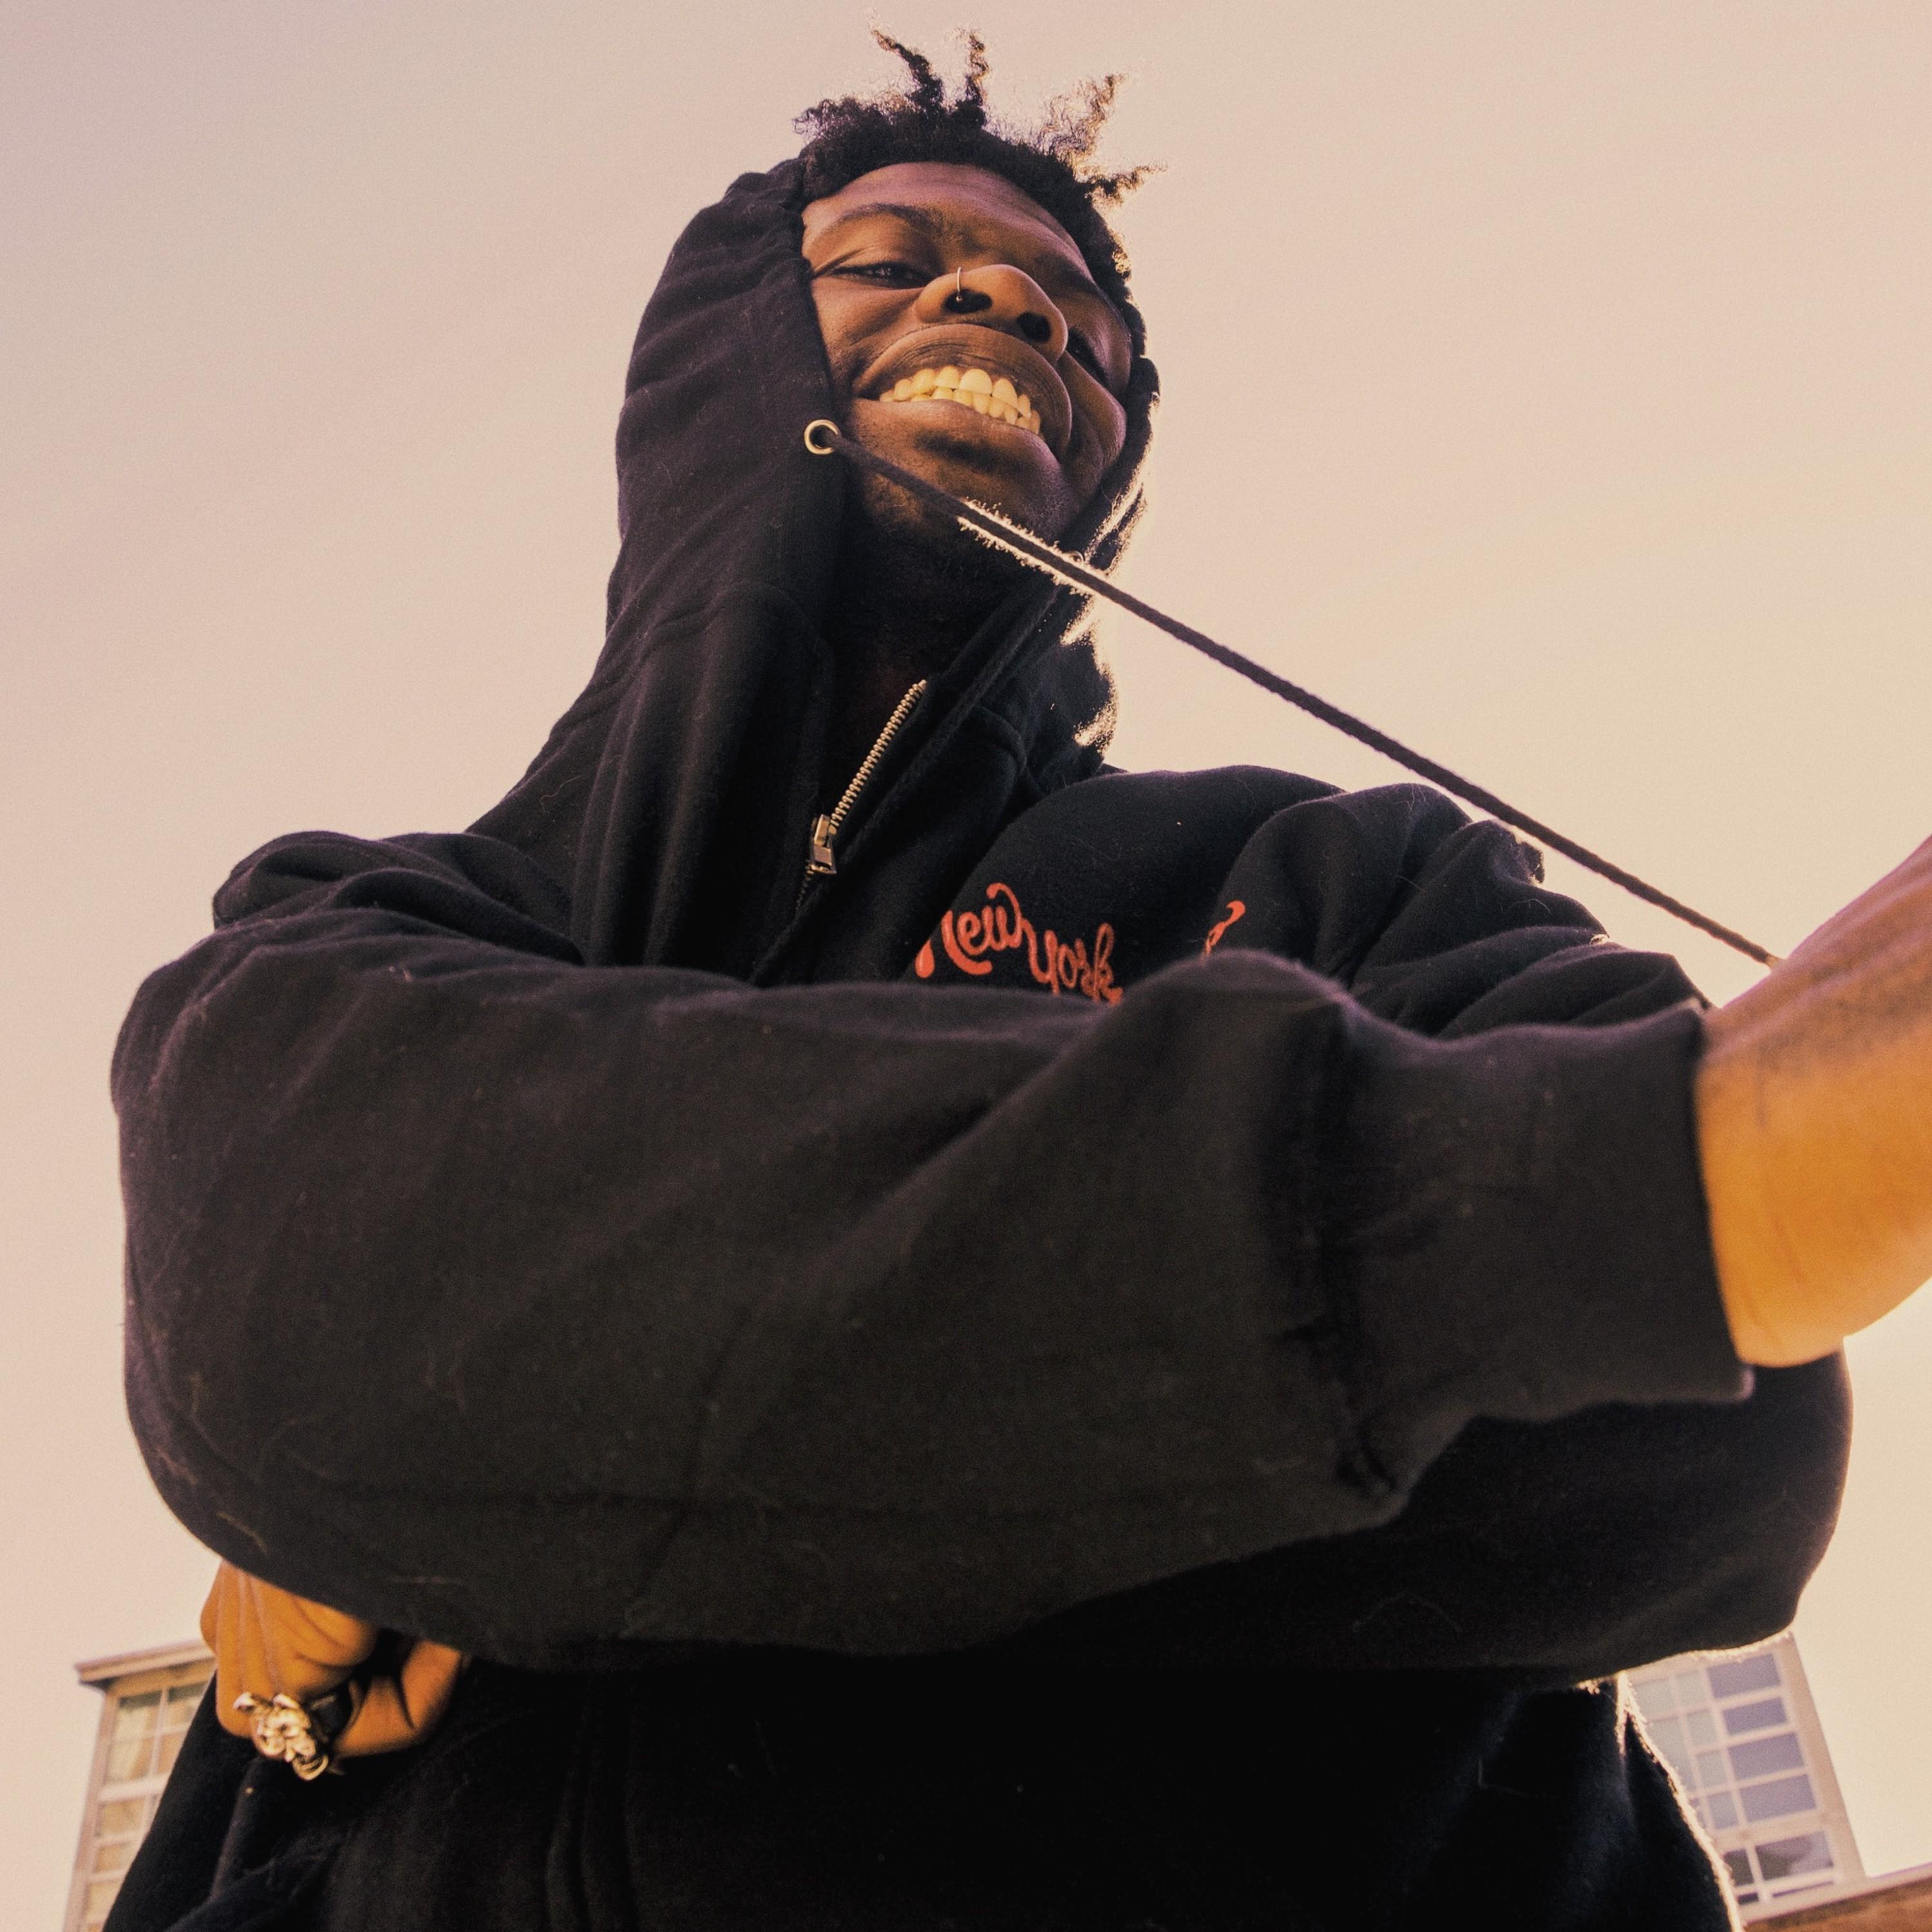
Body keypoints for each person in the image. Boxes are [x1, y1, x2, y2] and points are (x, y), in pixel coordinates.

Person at [106, 35, 1926, 1932]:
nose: (1005, 304)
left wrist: (514, 1472)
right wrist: (1558, 1221)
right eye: (888, 258)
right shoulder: (356, 927)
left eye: (1082, 319)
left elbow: (1695, 1427)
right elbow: (279, 1302)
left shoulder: (1349, 877)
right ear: (719, 361)